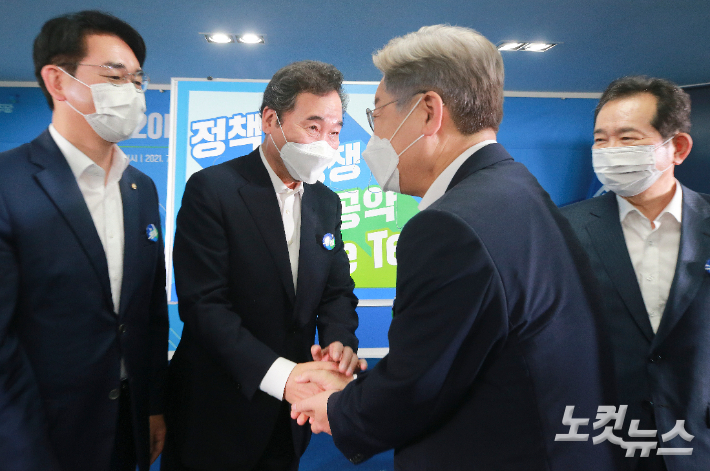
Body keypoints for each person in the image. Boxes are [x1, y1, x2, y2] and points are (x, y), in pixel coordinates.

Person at [291, 25, 624, 470]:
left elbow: (417, 384)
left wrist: (336, 409)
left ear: (428, 112)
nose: (374, 137)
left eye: (377, 115)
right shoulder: (517, 189)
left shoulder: (449, 225)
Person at [162, 60, 363, 471]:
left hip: (291, 417)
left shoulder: (326, 203)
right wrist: (282, 377)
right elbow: (204, 307)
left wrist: (340, 342)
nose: (326, 143)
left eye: (335, 132)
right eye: (313, 127)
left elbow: (337, 291)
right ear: (271, 120)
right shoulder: (213, 190)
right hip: (217, 410)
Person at [0, 10, 169, 471]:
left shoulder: (140, 188)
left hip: (127, 425)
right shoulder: (9, 183)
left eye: (137, 80)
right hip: (38, 434)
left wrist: (152, 406)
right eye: (114, 77)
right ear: (58, 81)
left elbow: (149, 311)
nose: (131, 92)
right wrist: (22, 451)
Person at [560, 76, 710, 471]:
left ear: (678, 147)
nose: (610, 151)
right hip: (600, 442)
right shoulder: (561, 229)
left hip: (699, 443)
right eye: (600, 140)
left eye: (627, 138)